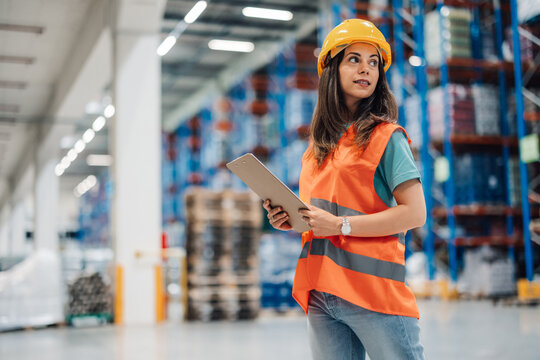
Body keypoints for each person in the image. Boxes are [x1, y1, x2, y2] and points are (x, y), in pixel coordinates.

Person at [262, 19, 426, 360]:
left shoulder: (386, 138)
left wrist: (340, 226)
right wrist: (289, 220)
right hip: (321, 293)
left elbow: (415, 213)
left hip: (373, 296)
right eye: (354, 59)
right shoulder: (316, 150)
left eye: (373, 62)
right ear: (331, 69)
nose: (365, 68)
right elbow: (318, 218)